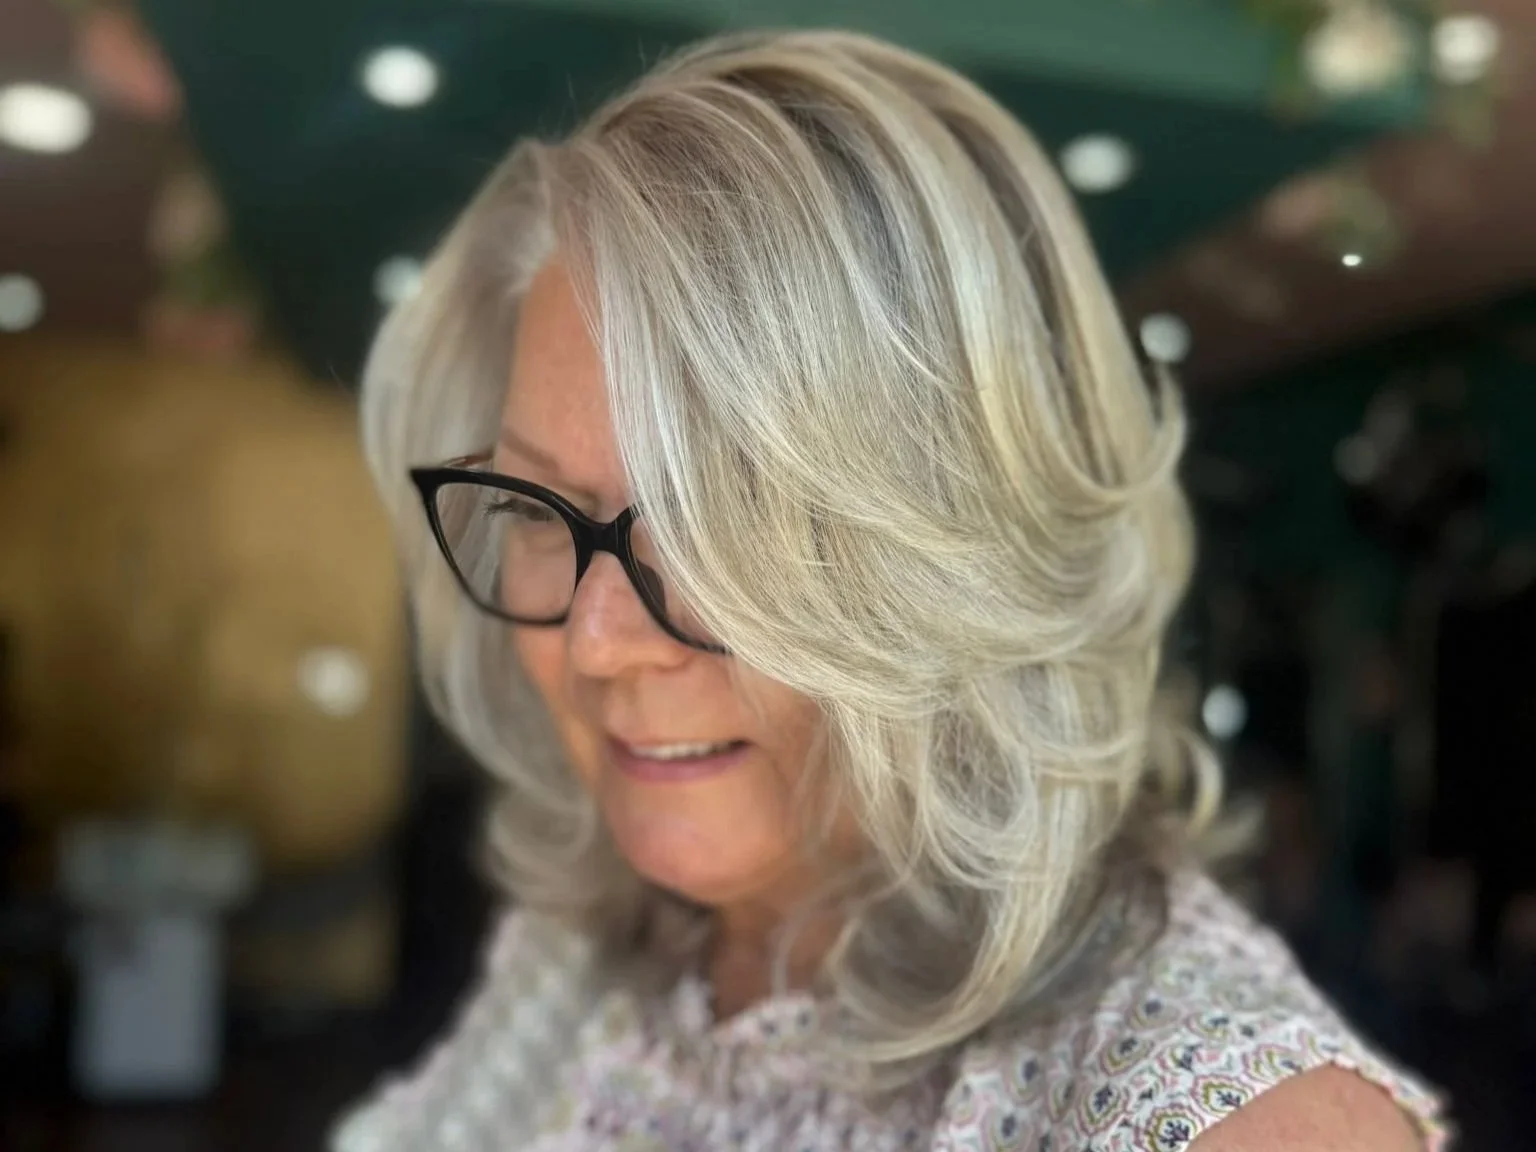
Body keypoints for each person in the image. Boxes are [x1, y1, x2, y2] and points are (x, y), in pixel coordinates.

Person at [333, 30, 1447, 1152]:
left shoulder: (1228, 1120)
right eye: (533, 509)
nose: (599, 643)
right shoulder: (587, 940)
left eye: (726, 523)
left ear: (972, 560)